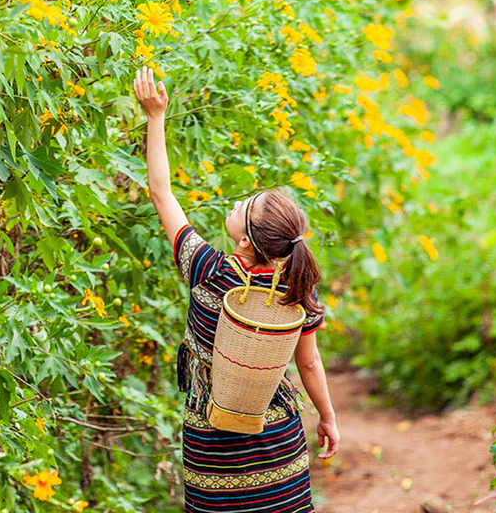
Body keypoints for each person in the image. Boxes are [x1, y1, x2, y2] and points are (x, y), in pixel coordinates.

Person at [133, 67, 340, 512]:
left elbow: (160, 193)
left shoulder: (207, 270)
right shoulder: (297, 289)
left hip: (211, 446)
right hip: (277, 442)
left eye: (242, 207)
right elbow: (310, 362)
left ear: (244, 241)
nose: (235, 202)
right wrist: (328, 416)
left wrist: (156, 116)